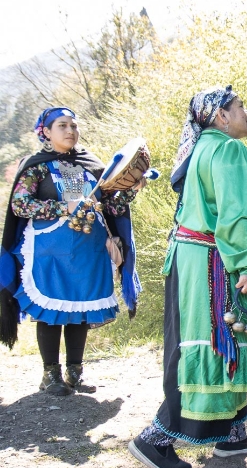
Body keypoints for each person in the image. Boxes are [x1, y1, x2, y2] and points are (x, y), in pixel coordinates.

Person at [129, 85, 247, 468]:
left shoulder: (203, 148)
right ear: (222, 116)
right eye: (241, 106)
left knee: (222, 339)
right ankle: (155, 438)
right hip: (214, 257)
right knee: (214, 341)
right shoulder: (227, 149)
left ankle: (231, 433)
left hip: (195, 256)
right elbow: (234, 215)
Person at [0, 107, 142, 395]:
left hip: (89, 251)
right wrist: (62, 207)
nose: (70, 131)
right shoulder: (37, 167)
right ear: (47, 132)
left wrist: (131, 187)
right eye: (62, 126)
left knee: (81, 308)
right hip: (50, 251)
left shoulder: (93, 166)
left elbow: (111, 207)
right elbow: (20, 205)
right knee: (52, 310)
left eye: (74, 126)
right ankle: (50, 374)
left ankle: (75, 372)